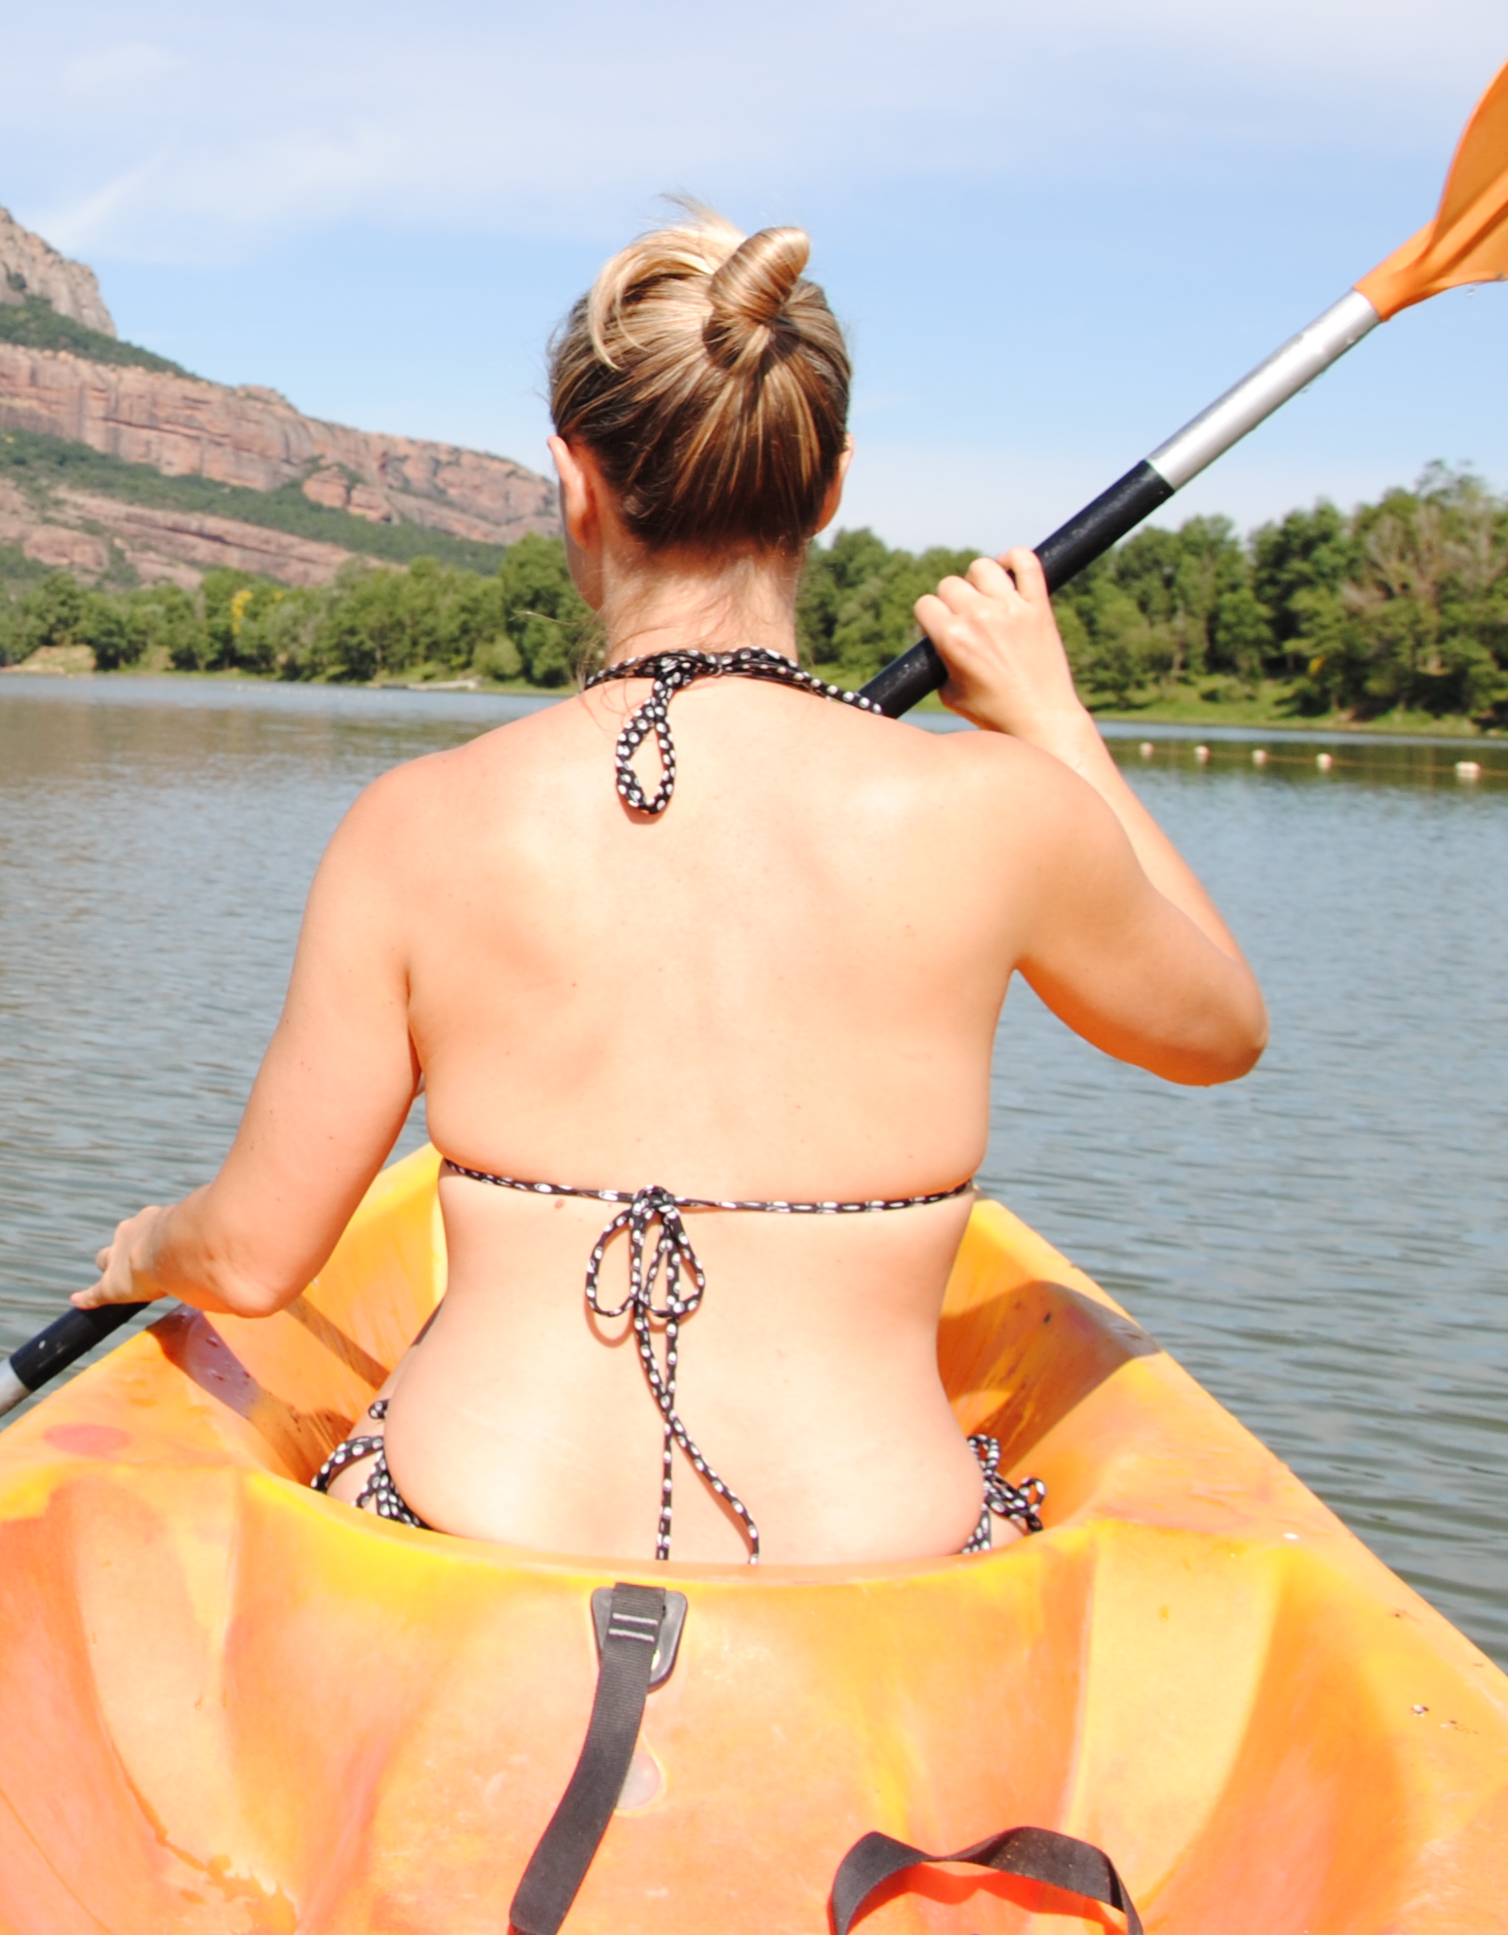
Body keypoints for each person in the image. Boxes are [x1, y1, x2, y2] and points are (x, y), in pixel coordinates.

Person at [75, 211, 1266, 1566]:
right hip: (879, 1565)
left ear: (575, 481)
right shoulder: (1001, 815)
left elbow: (249, 1260)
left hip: (464, 1534)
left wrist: (145, 1248)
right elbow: (1219, 1030)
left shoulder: (415, 825)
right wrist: (1053, 723)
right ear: (828, 490)